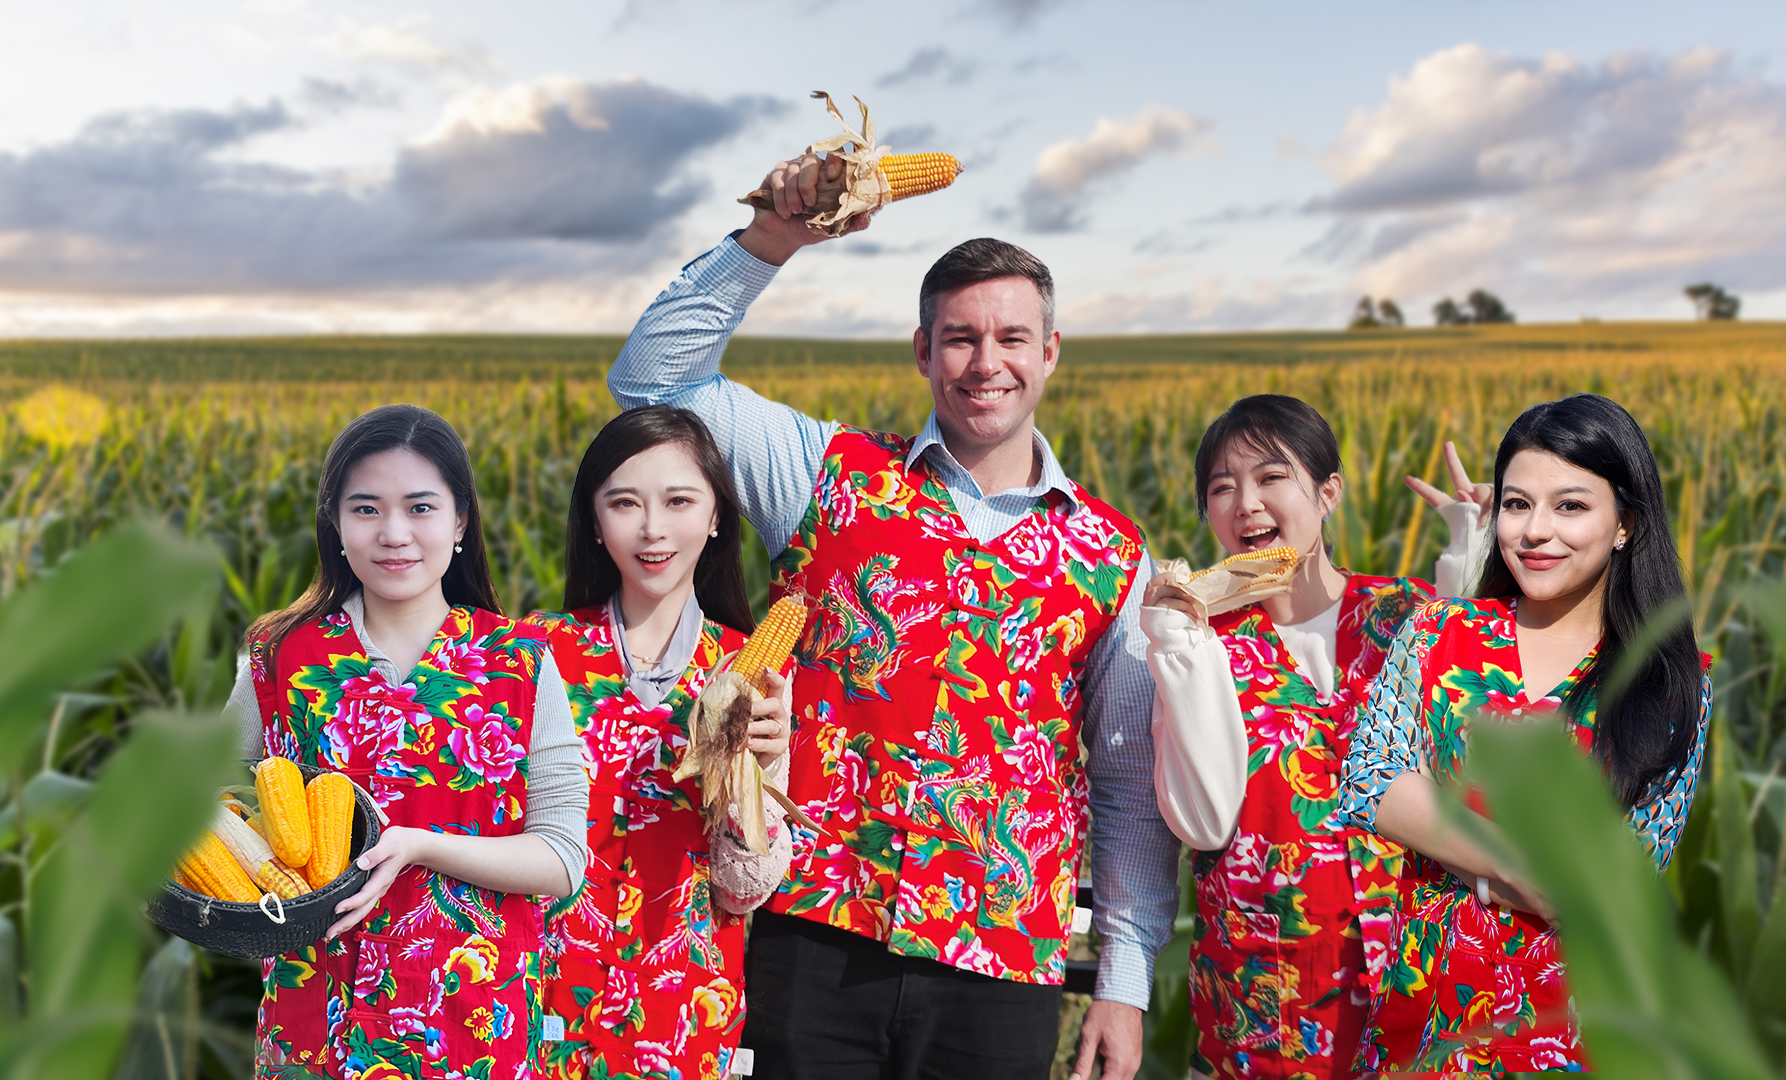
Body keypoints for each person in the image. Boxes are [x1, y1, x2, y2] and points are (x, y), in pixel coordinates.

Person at [606, 152, 1179, 1080]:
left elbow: (1119, 784)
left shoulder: (1114, 557)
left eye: (1011, 338)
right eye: (958, 338)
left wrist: (1122, 977)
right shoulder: (824, 474)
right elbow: (650, 382)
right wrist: (773, 238)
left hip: (1003, 956)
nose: (985, 363)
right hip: (808, 934)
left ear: (1050, 352)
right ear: (923, 352)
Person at [1337, 393, 1710, 1073]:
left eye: (1570, 505)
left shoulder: (1670, 683)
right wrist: (1510, 866)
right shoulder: (1438, 632)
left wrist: (1444, 838)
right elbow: (1370, 779)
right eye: (1516, 504)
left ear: (1625, 521)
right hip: (1426, 1021)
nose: (1536, 531)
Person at [224, 403, 589, 1079]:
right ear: (334, 523)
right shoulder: (278, 657)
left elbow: (563, 856)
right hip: (314, 1021)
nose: (394, 533)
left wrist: (420, 846)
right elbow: (210, 807)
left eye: (420, 508)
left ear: (459, 523)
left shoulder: (523, 664)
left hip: (473, 1023)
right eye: (366, 509)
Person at [1141, 395, 1488, 1080]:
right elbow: (1205, 821)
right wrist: (1176, 642)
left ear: (1328, 492)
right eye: (1221, 488)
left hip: (1415, 996)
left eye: (1271, 477)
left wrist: (1477, 550)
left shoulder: (1409, 614)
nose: (1245, 503)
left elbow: (1476, 762)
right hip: (1267, 1004)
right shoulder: (1204, 646)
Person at [529, 405, 794, 1080]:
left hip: (682, 1025)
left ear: (714, 517)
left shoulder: (757, 677)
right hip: (536, 1017)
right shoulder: (533, 655)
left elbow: (742, 891)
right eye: (624, 503)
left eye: (679, 500)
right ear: (593, 520)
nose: (652, 529)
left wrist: (759, 772)